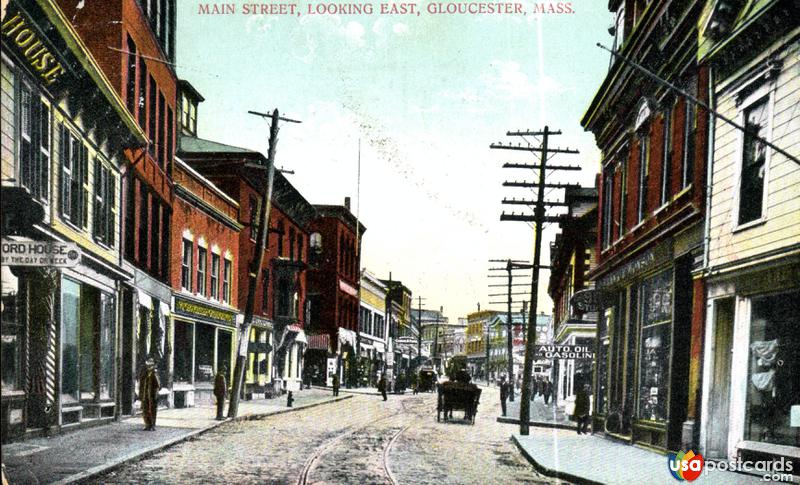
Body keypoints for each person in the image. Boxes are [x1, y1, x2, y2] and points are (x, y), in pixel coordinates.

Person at [139, 359, 160, 431]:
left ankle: (152, 425)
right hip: (145, 395)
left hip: (152, 395)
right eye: (148, 364)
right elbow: (141, 384)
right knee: (145, 410)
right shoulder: (145, 373)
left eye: (150, 365)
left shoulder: (154, 373)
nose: (148, 366)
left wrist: (156, 395)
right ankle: (147, 424)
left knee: (152, 410)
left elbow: (158, 385)